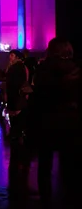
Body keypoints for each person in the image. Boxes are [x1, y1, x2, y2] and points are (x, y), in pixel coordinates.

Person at [31, 38, 81, 206]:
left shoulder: (43, 69)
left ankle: (46, 200)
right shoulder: (75, 69)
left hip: (47, 120)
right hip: (70, 122)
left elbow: (38, 97)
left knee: (44, 165)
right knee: (70, 165)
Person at [5, 49, 28, 141]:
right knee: (15, 112)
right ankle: (16, 132)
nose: (10, 57)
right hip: (15, 92)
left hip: (15, 93)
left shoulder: (16, 67)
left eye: (12, 55)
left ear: (17, 57)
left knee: (15, 112)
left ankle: (16, 132)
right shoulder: (17, 66)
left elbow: (15, 81)